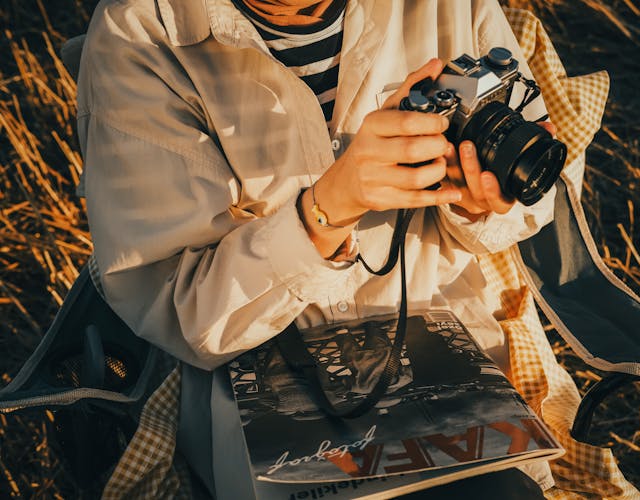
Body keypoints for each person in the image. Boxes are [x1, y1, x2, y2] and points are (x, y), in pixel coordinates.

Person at [77, 0, 562, 496]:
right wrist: (324, 212)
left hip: (453, 356)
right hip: (256, 391)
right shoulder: (140, 34)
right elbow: (181, 309)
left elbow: (535, 198)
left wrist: (477, 202)